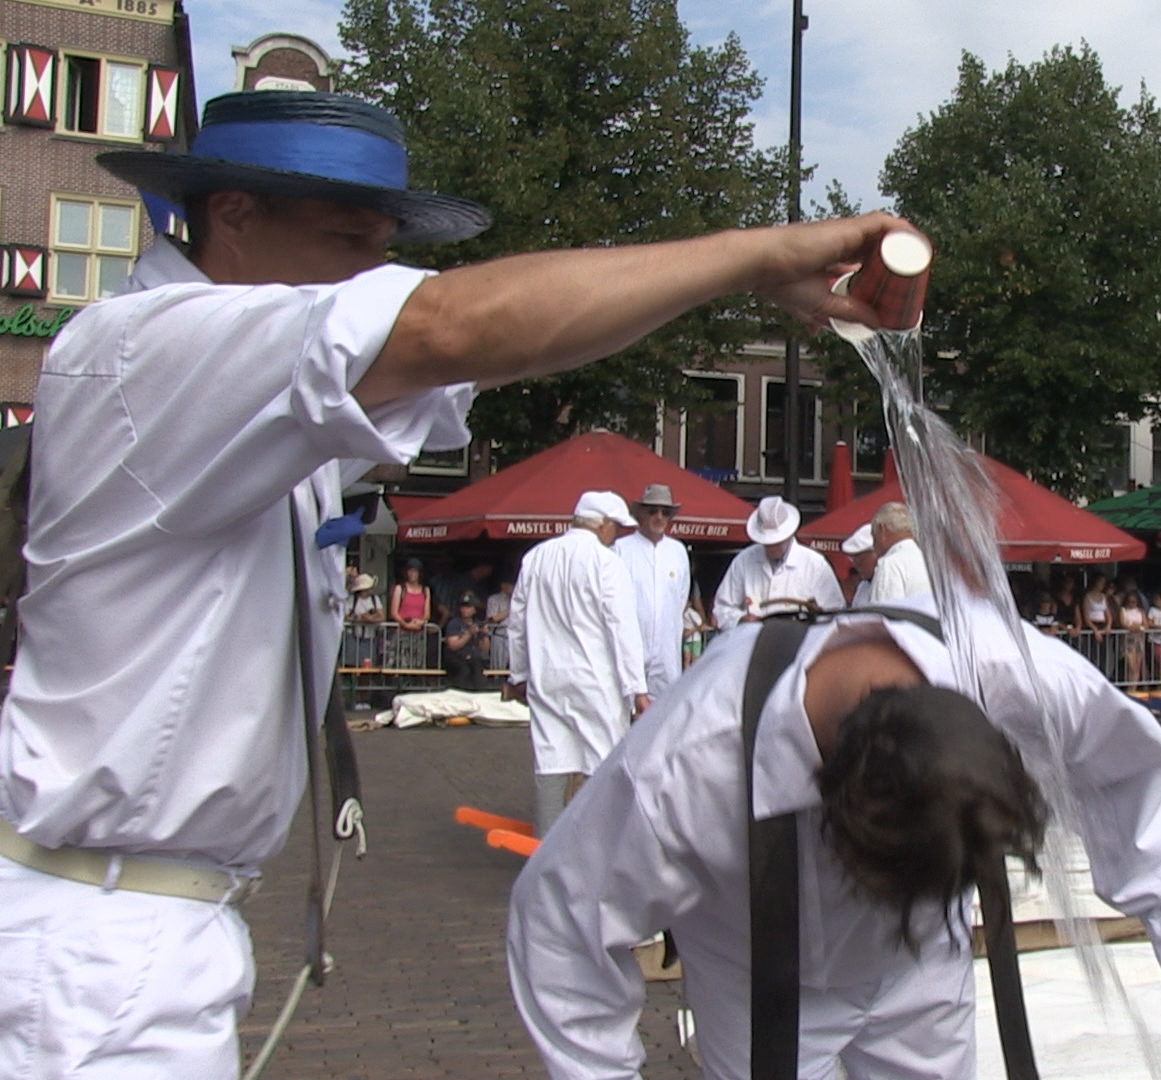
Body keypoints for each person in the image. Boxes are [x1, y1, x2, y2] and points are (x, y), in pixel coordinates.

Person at [0, 88, 910, 1079]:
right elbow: (449, 327)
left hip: (131, 929)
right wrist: (759, 253)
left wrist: (732, 288)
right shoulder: (155, 345)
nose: (372, 275)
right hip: (98, 952)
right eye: (350, 240)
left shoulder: (233, 380)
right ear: (233, 214)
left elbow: (501, 344)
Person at [506, 595, 1161, 1077]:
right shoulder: (686, 770)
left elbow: (1128, 777)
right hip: (756, 976)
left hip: (921, 970)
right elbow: (562, 926)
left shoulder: (1015, 674)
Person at [508, 491, 651, 838]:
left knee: (551, 758)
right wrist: (638, 689)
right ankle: (592, 848)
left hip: (548, 675)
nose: (616, 535)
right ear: (602, 524)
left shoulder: (537, 557)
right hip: (596, 678)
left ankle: (546, 845)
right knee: (602, 761)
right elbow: (622, 628)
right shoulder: (607, 563)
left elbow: (517, 621)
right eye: (615, 528)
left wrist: (519, 674)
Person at [712, 497, 844, 630]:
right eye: (766, 543)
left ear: (788, 535)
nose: (770, 547)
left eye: (776, 542)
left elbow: (836, 613)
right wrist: (739, 619)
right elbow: (722, 608)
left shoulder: (815, 565)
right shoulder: (744, 560)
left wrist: (815, 617)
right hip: (752, 643)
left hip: (801, 644)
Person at [612, 484, 693, 695]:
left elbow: (681, 599)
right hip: (629, 651)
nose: (659, 517)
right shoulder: (620, 549)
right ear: (640, 513)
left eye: (665, 512)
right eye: (652, 511)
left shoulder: (678, 551)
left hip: (667, 654)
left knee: (662, 716)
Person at [866, 500, 933, 604]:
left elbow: (884, 613)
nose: (873, 545)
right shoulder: (929, 561)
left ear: (882, 530)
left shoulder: (890, 564)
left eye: (873, 535)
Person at [441, 592, 491, 692]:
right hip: (456, 659)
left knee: (479, 673)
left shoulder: (478, 623)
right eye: (463, 606)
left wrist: (484, 635)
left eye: (468, 607)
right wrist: (469, 633)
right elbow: (453, 646)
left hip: (474, 659)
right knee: (463, 671)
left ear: (474, 609)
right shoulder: (454, 623)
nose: (465, 609)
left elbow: (484, 649)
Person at [344, 571, 385, 668]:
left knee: (367, 665)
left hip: (369, 637)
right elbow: (345, 616)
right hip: (353, 637)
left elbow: (382, 616)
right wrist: (360, 618)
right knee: (351, 665)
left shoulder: (375, 599)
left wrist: (370, 619)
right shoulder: (352, 600)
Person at [841, 523, 878, 606]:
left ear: (876, 553)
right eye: (853, 559)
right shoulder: (862, 586)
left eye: (859, 559)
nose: (855, 564)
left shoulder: (886, 580)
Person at [485, 578, 515, 670]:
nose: (513, 587)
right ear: (503, 585)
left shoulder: (518, 599)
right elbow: (491, 619)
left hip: (516, 637)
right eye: (511, 585)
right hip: (500, 635)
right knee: (498, 668)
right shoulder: (494, 599)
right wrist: (511, 610)